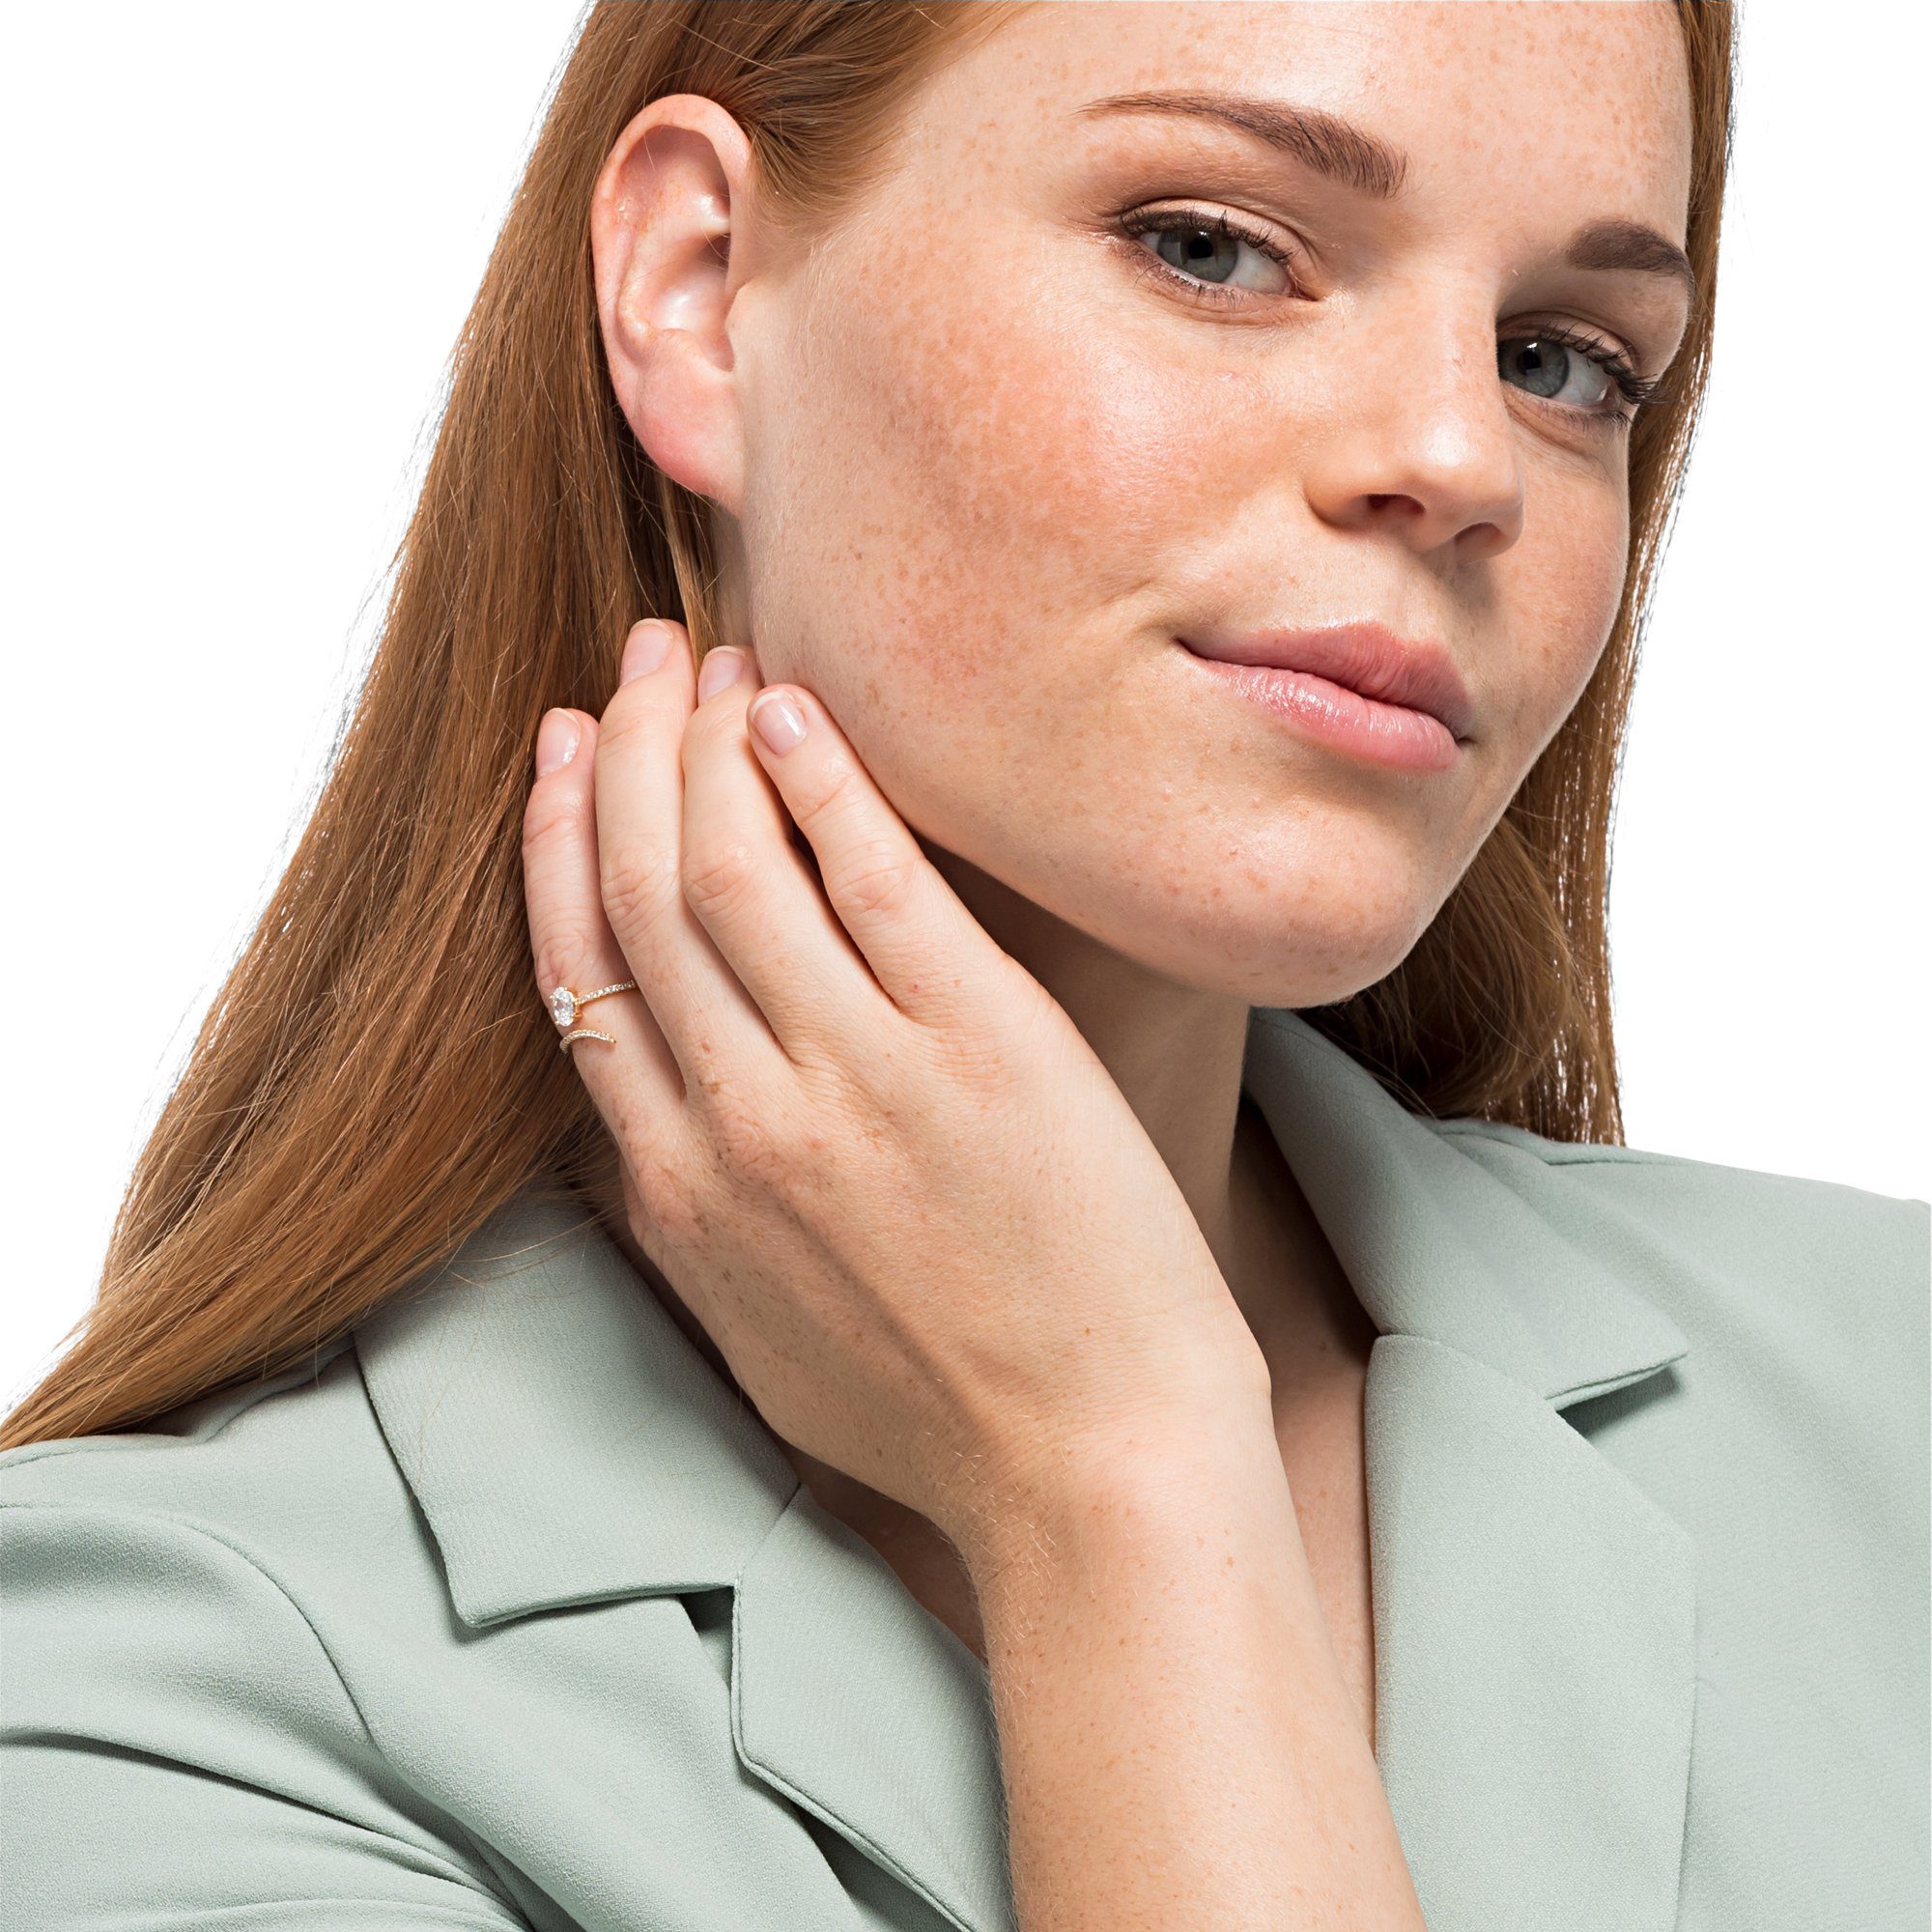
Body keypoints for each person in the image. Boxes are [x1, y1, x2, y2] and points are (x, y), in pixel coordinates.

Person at [4, 3, 1925, 1928]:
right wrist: (1116, 1487)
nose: (1457, 456)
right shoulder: (138, 1712)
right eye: (1211, 244)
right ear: (697, 287)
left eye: (1559, 359)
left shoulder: (1888, 1392)